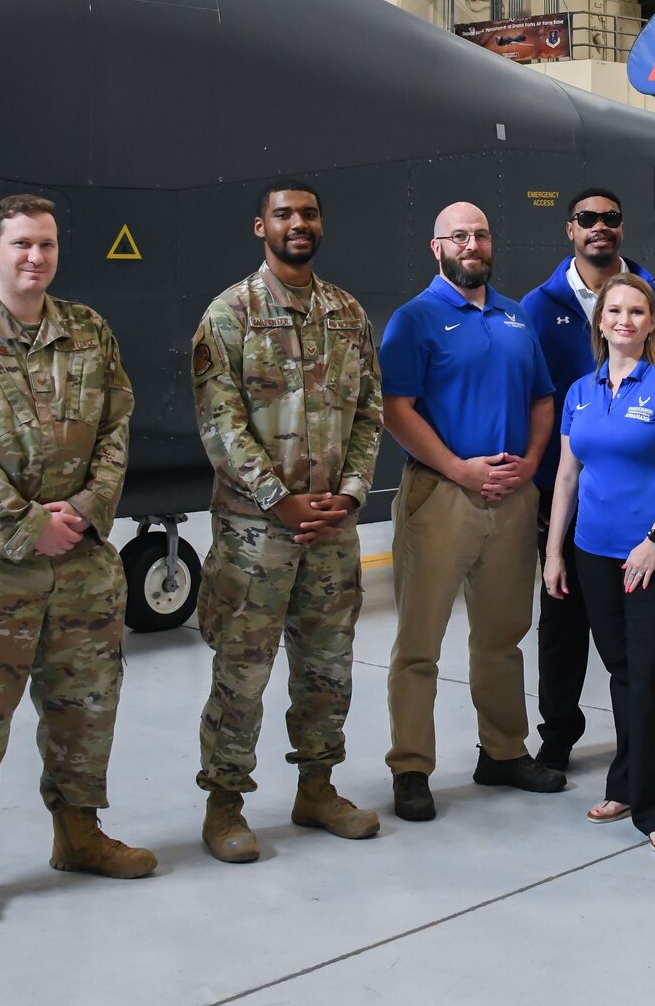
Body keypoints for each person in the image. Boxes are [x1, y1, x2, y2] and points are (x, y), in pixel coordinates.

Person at [0, 194, 154, 928]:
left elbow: (117, 422)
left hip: (81, 557)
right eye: (20, 244)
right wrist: (25, 526)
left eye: (45, 244)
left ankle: (78, 832)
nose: (34, 257)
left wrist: (86, 510)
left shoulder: (88, 331)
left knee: (84, 707)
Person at [191, 181, 385, 863]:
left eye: (307, 213)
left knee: (328, 666)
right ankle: (224, 804)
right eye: (284, 214)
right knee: (242, 670)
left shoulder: (348, 313)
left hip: (332, 527)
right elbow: (221, 424)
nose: (297, 223)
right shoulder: (230, 315)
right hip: (255, 534)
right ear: (260, 226)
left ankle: (318, 786)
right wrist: (280, 499)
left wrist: (354, 492)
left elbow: (369, 412)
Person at [379, 202, 563, 821]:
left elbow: (543, 397)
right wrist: (458, 469)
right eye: (459, 235)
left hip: (512, 496)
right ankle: (410, 766)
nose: (472, 244)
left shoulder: (517, 318)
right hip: (443, 496)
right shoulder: (415, 319)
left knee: (502, 636)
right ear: (438, 247)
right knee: (418, 641)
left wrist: (533, 462)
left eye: (481, 234)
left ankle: (504, 752)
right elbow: (396, 408)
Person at [543, 275, 655, 853]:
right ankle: (625, 780)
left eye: (637, 311)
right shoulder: (581, 391)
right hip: (593, 551)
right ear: (600, 321)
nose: (624, 320)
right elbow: (567, 476)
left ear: (651, 323)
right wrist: (554, 552)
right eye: (614, 310)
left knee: (648, 671)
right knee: (621, 670)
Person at [521, 188, 655, 774]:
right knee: (562, 627)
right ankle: (559, 734)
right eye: (587, 219)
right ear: (570, 229)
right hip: (566, 500)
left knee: (640, 651)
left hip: (643, 508)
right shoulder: (537, 308)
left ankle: (642, 752)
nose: (599, 228)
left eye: (610, 219)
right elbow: (536, 400)